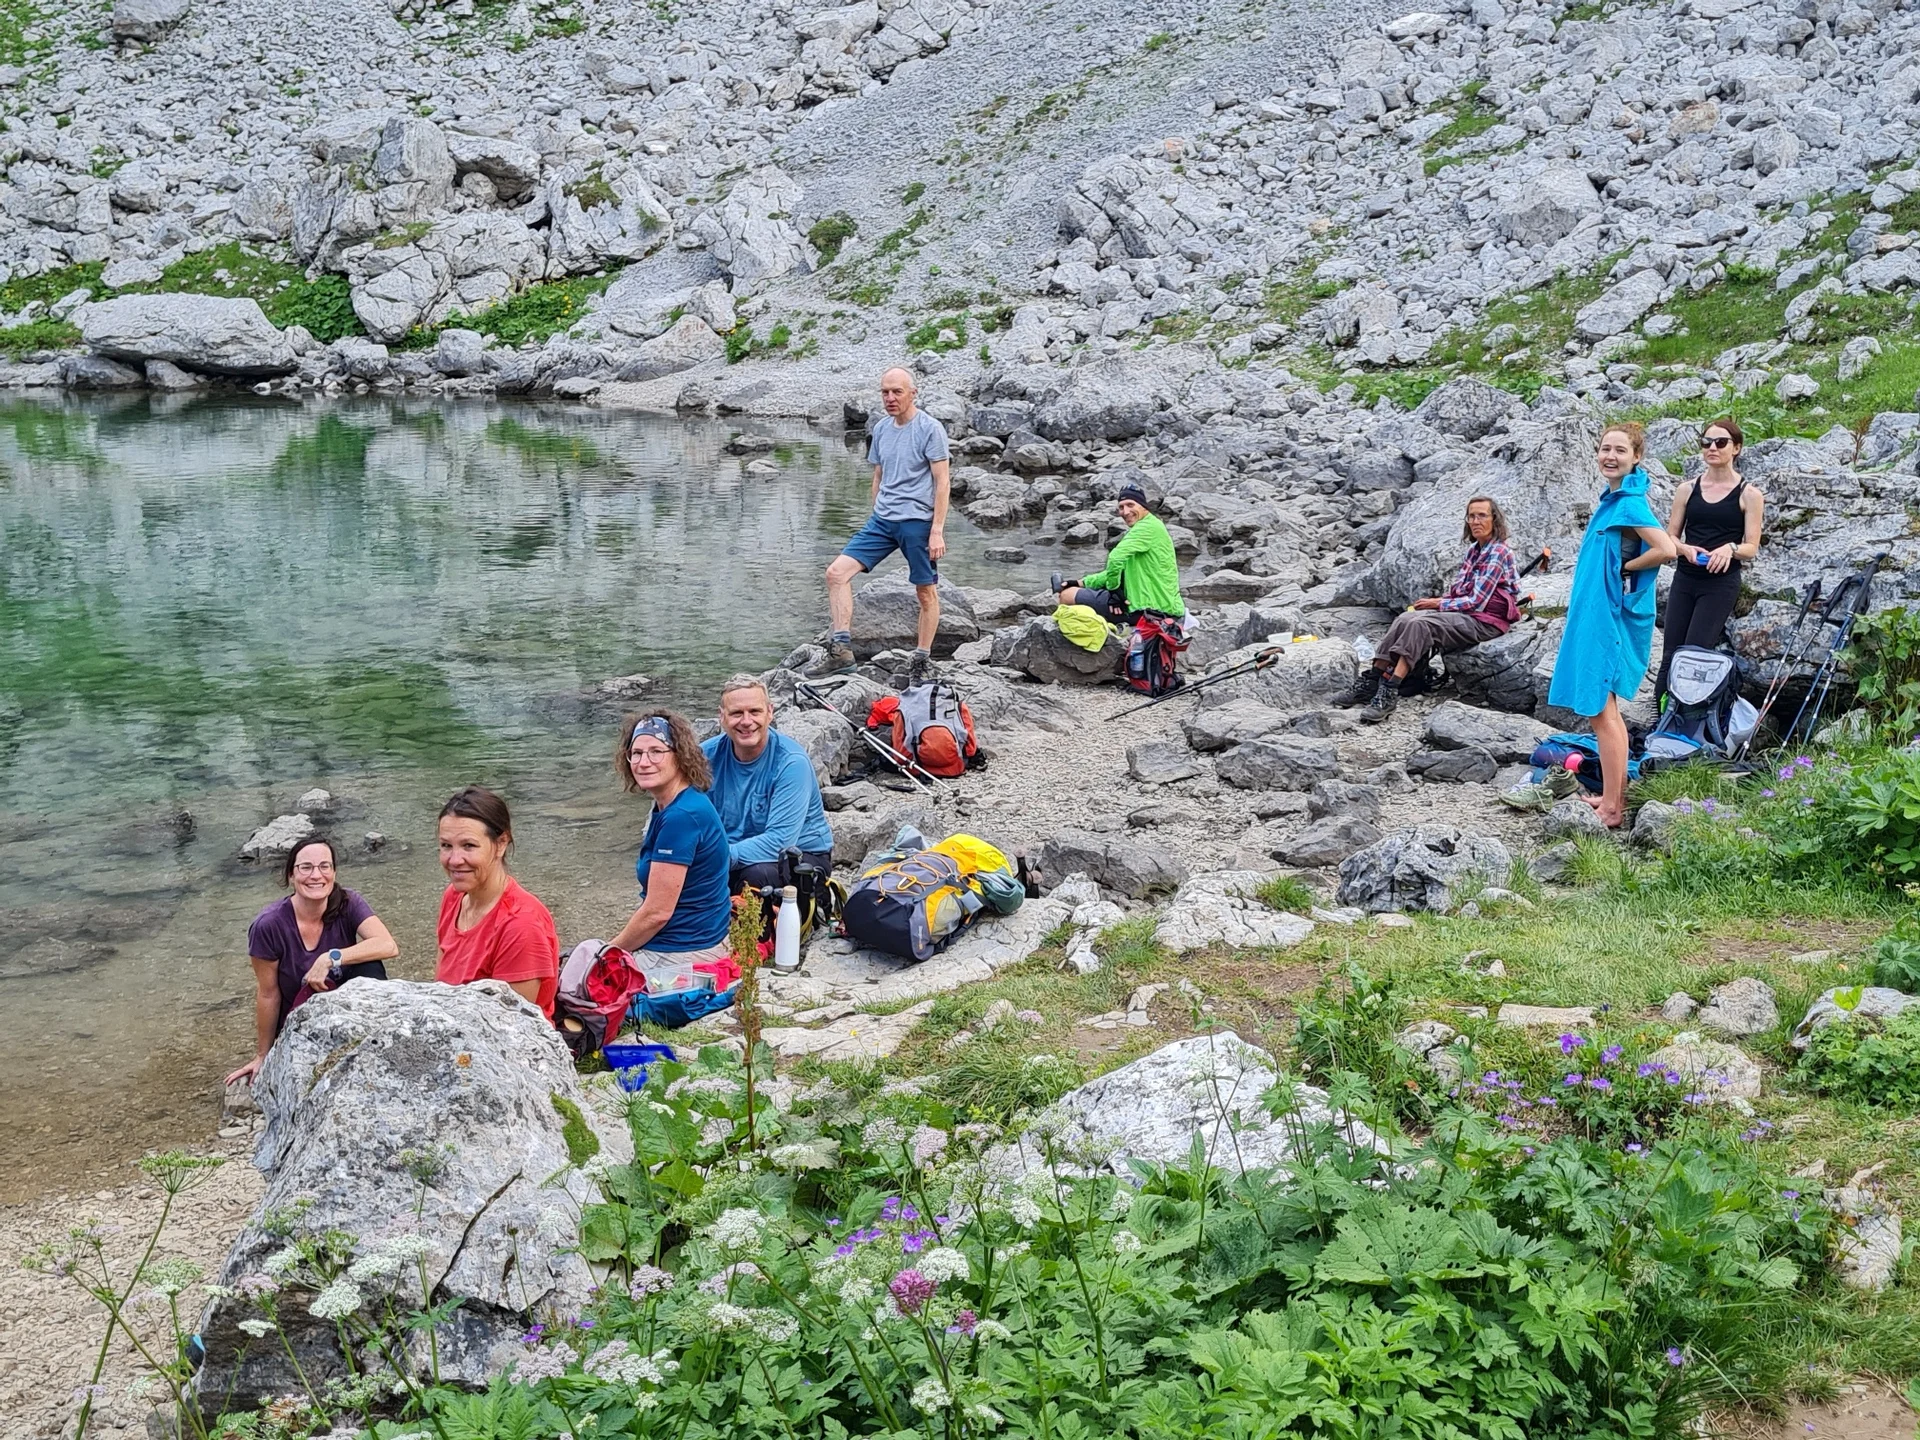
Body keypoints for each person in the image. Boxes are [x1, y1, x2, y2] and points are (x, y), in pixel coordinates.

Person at [1547, 422, 1679, 829]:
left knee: (1604, 714)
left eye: (1620, 450)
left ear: (1636, 457)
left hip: (1606, 622)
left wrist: (1624, 567)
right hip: (1593, 616)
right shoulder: (1613, 499)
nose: (1610, 456)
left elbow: (1665, 549)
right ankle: (1610, 795)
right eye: (1605, 449)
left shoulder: (1628, 503)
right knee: (1604, 715)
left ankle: (1614, 807)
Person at [225, 837, 399, 1085]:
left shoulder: (348, 902)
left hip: (347, 1013)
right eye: (305, 867)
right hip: (302, 1023)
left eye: (324, 866)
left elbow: (388, 945)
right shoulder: (268, 925)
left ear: (334, 872)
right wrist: (263, 1055)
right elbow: (268, 993)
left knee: (369, 965)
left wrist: (331, 958)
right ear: (291, 876)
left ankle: (372, 1042)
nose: (316, 875)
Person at [1335, 496, 1521, 723]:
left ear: (1495, 520)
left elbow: (1476, 602)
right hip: (1466, 613)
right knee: (1406, 617)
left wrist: (1438, 604)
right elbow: (1459, 591)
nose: (1475, 521)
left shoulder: (1498, 552)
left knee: (1421, 624)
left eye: (1482, 515)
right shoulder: (1475, 550)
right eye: (1471, 516)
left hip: (1486, 621)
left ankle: (1390, 690)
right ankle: (1372, 680)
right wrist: (1438, 601)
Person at [821, 367, 952, 683]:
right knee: (836, 573)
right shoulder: (881, 429)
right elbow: (878, 475)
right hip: (882, 521)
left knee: (925, 591)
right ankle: (841, 651)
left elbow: (942, 481)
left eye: (897, 392)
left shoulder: (930, 429)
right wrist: (877, 507)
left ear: (912, 393)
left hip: (917, 523)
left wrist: (936, 530)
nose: (890, 398)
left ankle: (921, 658)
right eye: (885, 392)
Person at [607, 711, 734, 966]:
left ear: (680, 756)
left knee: (574, 987)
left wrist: (608, 953)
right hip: (695, 941)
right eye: (637, 753)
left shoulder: (681, 817)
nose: (644, 762)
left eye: (656, 751)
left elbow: (657, 914)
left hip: (685, 952)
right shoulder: (677, 803)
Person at [1655, 416, 1764, 705]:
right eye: (1706, 442)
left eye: (1720, 442)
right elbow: (1671, 537)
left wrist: (1729, 548)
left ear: (1736, 448)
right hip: (1686, 577)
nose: (1712, 447)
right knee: (1670, 652)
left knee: (1694, 653)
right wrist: (1685, 549)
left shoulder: (1749, 495)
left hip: (1721, 584)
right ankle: (1658, 722)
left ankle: (1684, 723)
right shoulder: (1687, 489)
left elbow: (1751, 546)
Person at [435, 785, 560, 1016]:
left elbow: (513, 1023)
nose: (454, 860)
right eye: (446, 846)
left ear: (501, 843)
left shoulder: (521, 925)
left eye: (469, 846)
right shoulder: (454, 897)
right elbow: (441, 987)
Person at [702, 675, 834, 892]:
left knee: (756, 875)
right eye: (736, 713)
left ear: (770, 713)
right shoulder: (705, 756)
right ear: (722, 717)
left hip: (798, 855)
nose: (746, 721)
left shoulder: (791, 763)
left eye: (754, 712)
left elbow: (779, 842)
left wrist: (718, 857)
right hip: (731, 850)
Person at [1050, 484, 1186, 626]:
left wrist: (1114, 592)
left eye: (1130, 505)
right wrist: (1081, 583)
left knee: (1066, 596)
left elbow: (1115, 558)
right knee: (1078, 589)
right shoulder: (1152, 526)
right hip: (1162, 607)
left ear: (1143, 506)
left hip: (1148, 611)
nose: (1125, 512)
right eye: (1121, 507)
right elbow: (1118, 571)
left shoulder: (1147, 528)